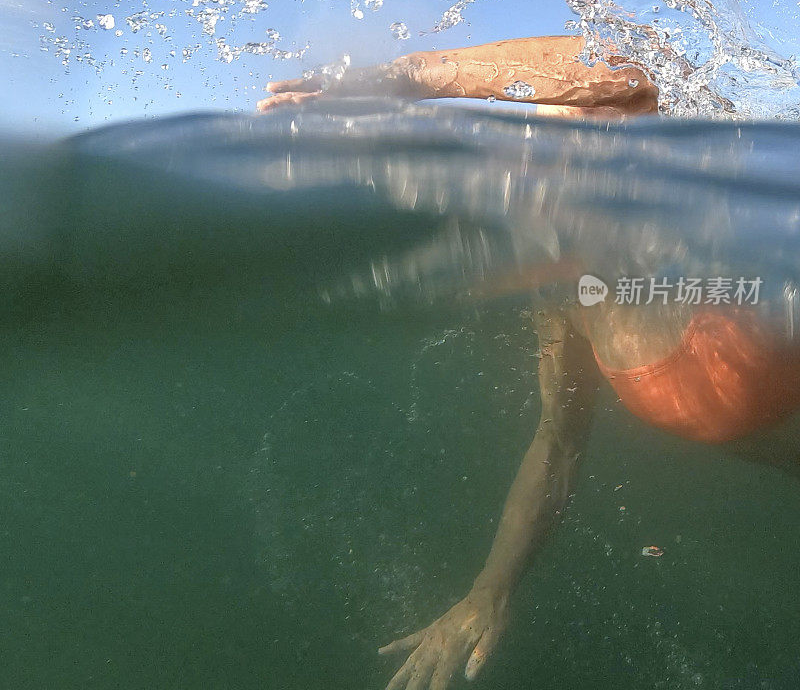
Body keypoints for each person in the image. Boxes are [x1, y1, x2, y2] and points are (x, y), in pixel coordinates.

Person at [257, 36, 800, 690]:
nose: (544, 172)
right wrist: (489, 590)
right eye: (531, 158)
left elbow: (613, 72)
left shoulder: (717, 217)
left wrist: (395, 77)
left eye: (565, 142)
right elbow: (559, 441)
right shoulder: (564, 292)